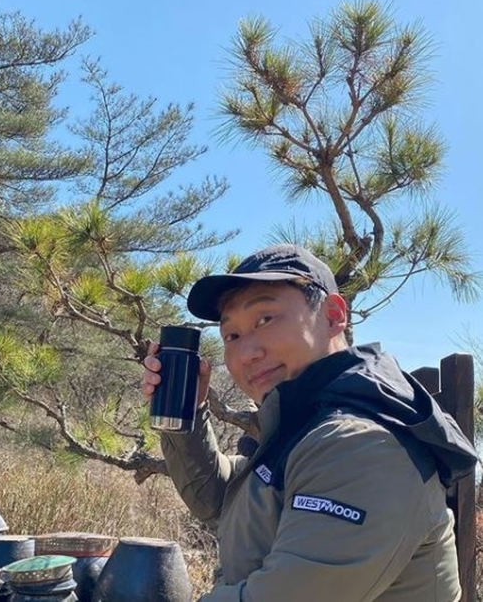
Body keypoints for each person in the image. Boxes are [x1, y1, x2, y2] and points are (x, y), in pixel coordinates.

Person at [141, 243, 478, 602]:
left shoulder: (361, 444)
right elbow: (226, 503)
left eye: (265, 320)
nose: (246, 352)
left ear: (333, 315)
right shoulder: (303, 425)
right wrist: (188, 415)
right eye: (232, 336)